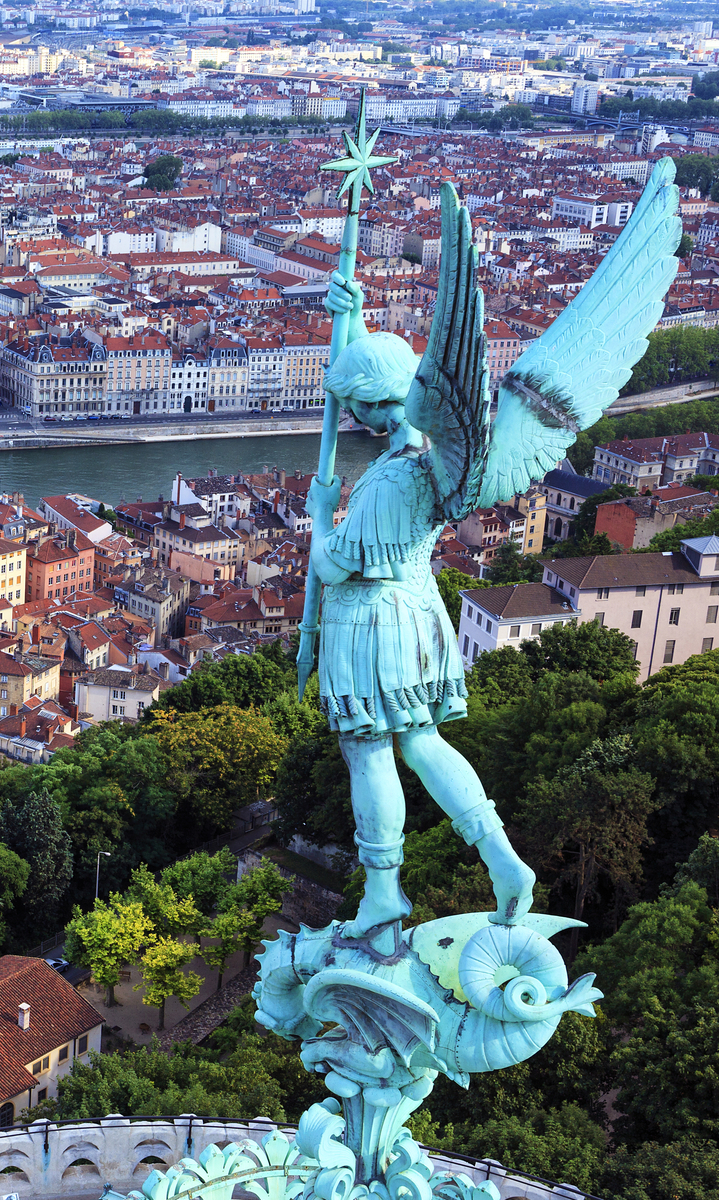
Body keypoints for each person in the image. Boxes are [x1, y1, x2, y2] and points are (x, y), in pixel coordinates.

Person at [308, 271, 534, 939]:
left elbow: (332, 563)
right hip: (418, 610)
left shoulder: (388, 483)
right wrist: (349, 326)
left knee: (370, 750)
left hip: (370, 621)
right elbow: (373, 381)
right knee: (423, 741)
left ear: (376, 406)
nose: (354, 421)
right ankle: (501, 857)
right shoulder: (432, 457)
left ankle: (382, 893)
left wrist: (321, 514)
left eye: (358, 409)